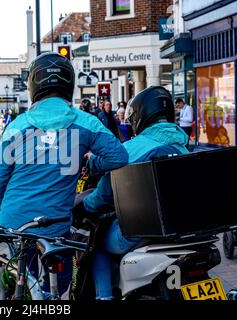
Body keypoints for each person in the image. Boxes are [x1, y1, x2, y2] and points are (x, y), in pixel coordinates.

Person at [0, 52, 129, 297]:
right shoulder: (87, 122)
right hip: (55, 224)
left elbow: (0, 175)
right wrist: (91, 164)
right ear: (70, 84)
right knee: (58, 286)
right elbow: (119, 157)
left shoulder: (17, 125)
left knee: (24, 280)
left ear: (33, 85)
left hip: (15, 221)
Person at [80, 86, 189, 300]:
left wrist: (85, 205)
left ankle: (104, 297)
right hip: (184, 228)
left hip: (143, 230)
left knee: (96, 241)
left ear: (141, 116)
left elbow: (104, 194)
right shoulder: (184, 145)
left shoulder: (132, 148)